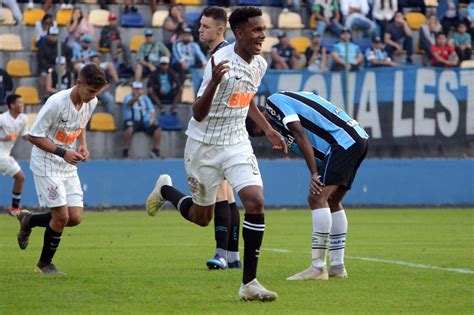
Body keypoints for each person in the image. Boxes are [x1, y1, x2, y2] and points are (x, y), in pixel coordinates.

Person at [145, 6, 286, 301]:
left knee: (255, 200)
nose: (262, 35)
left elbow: (247, 100)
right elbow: (197, 113)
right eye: (257, 30)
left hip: (236, 142)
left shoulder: (259, 64)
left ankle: (249, 283)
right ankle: (166, 191)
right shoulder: (219, 62)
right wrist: (213, 85)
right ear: (239, 33)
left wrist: (268, 129)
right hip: (203, 146)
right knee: (201, 217)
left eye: (263, 29)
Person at [245, 91, 369, 280]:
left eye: (262, 130)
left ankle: (318, 267)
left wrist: (313, 173)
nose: (266, 134)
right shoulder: (282, 125)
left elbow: (299, 132)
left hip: (343, 142)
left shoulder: (274, 101)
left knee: (316, 197)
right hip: (355, 139)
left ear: (261, 116)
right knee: (332, 200)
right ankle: (337, 266)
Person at [16, 64, 107, 275]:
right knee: (61, 218)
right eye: (91, 91)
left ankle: (29, 219)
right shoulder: (56, 103)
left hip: (66, 163)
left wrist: (82, 145)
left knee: (74, 217)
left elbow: (81, 123)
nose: (93, 96)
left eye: (97, 92)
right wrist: (63, 152)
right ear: (79, 83)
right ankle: (44, 265)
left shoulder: (90, 101)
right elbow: (33, 136)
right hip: (47, 163)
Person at [197, 5, 241, 270]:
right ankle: (233, 255)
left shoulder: (222, 56)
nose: (199, 30)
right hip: (228, 129)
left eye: (205, 26)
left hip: (219, 132)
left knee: (220, 191)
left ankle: (222, 253)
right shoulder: (221, 54)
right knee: (229, 194)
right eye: (200, 25)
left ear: (220, 29)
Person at [0, 94, 28, 216]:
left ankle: (14, 208)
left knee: (20, 178)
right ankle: (14, 208)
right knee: (20, 177)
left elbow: (25, 136)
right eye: (19, 102)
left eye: (22, 102)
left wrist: (41, 140)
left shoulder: (23, 119)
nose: (22, 105)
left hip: (5, 154)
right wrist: (2, 138)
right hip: (1, 154)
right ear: (12, 105)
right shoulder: (2, 119)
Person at [122, 81, 162, 159]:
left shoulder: (146, 99)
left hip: (145, 121)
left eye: (138, 89)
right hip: (133, 120)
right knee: (128, 129)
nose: (137, 90)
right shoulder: (127, 97)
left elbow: (152, 110)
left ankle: (156, 150)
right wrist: (137, 97)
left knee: (158, 129)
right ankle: (125, 150)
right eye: (135, 89)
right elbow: (130, 103)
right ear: (132, 89)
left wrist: (152, 119)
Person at [37, 26, 73, 96]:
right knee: (44, 75)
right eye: (52, 35)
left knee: (69, 73)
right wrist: (51, 67)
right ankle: (47, 95)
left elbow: (69, 52)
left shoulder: (61, 45)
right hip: (46, 68)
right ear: (48, 35)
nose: (53, 37)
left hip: (60, 67)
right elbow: (41, 60)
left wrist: (67, 63)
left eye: (55, 35)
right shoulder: (43, 46)